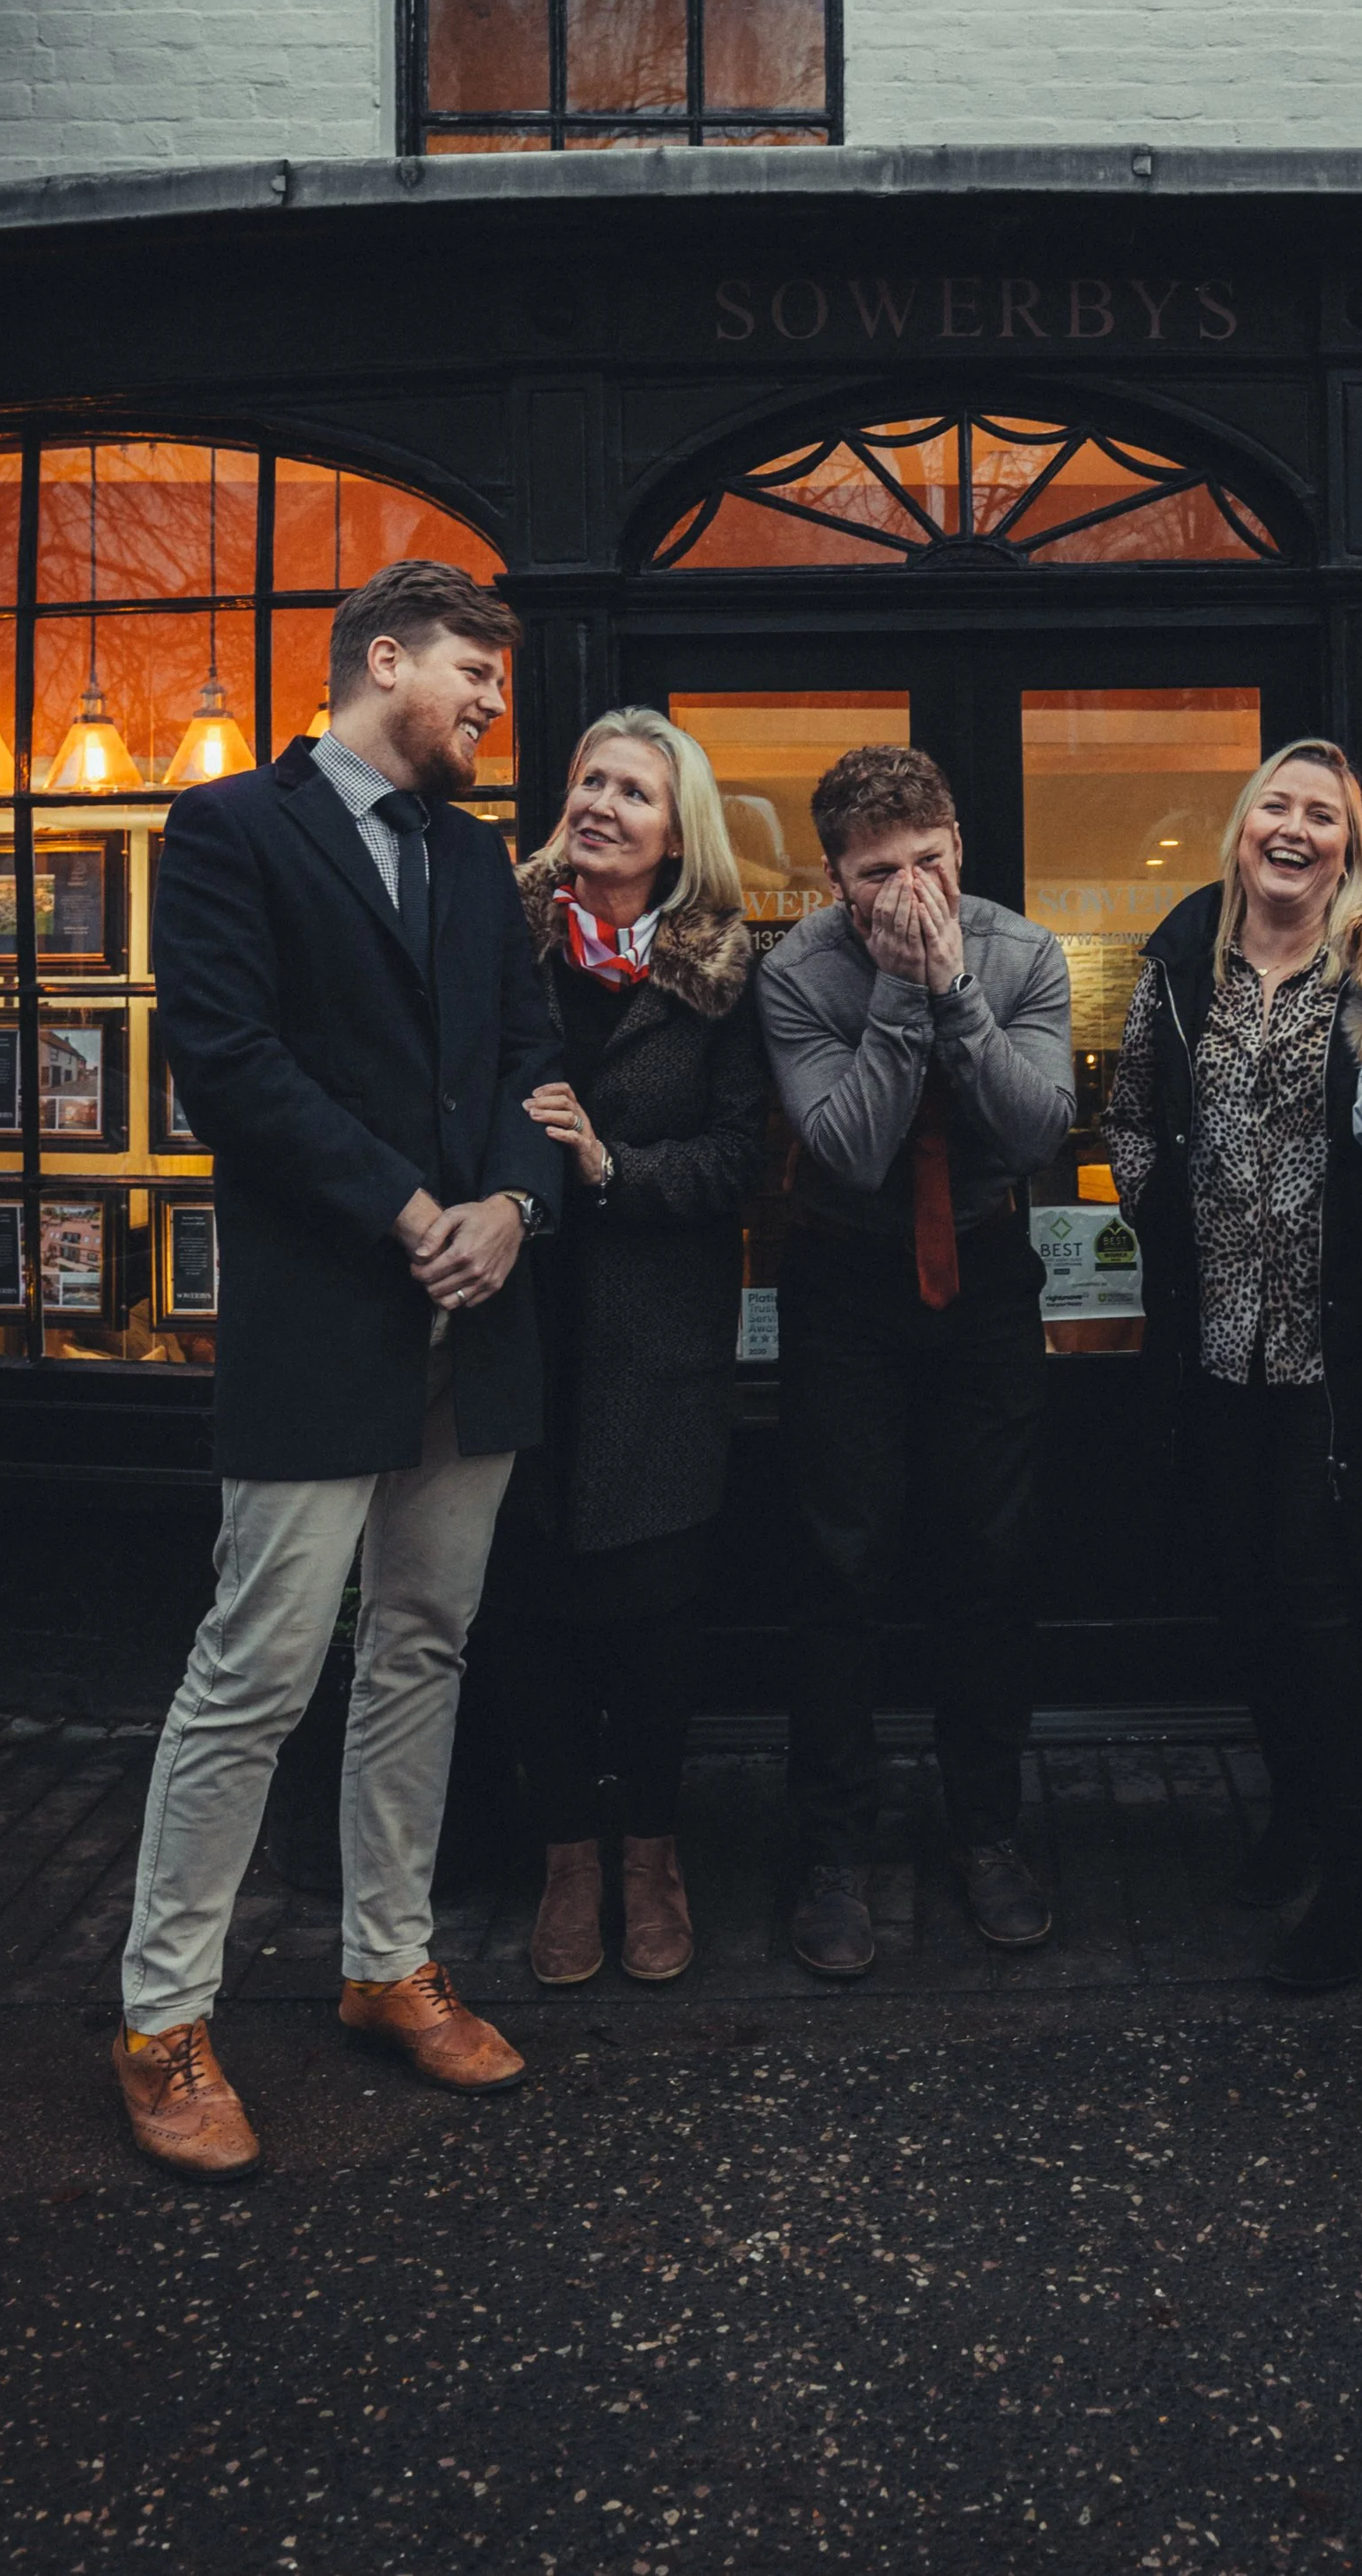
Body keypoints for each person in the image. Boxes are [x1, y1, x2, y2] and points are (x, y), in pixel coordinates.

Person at [116, 560, 562, 2180]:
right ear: (384, 657)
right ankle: (163, 2019)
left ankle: (390, 1966)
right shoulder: (230, 827)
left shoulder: (475, 852)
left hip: (480, 1313)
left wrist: (514, 1204)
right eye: (474, 673)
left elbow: (532, 1063)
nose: (493, 703)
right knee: (255, 1669)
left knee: (424, 1645)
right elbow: (228, 1063)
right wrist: (413, 1210)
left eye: (498, 682)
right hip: (324, 1321)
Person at [1104, 740, 1362, 1992]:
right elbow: (1130, 1112)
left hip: (1344, 1351)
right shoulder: (1181, 954)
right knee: (1252, 1595)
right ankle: (1299, 1815)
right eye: (1278, 804)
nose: (1296, 828)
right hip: (1215, 1342)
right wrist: (1165, 1218)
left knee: (1337, 1610)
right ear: (1243, 823)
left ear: (1349, 849)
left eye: (1325, 814)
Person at [758, 745, 1075, 1979]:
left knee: (989, 1557)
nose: (912, 892)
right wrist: (901, 993)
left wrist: (958, 994)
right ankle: (833, 1848)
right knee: (840, 1562)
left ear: (960, 845)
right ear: (836, 877)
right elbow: (844, 1144)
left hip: (987, 1273)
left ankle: (988, 1830)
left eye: (930, 862)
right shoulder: (797, 972)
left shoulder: (1024, 951)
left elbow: (1036, 1127)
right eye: (880, 872)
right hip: (847, 1273)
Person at [487, 708, 767, 1989]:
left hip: (659, 1347)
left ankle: (651, 1856)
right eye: (587, 777)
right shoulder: (501, 939)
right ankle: (566, 1859)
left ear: (675, 833)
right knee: (532, 1609)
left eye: (633, 792)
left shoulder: (720, 974)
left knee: (656, 1622)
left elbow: (741, 1161)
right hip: (517, 1329)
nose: (600, 802)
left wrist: (608, 1165)